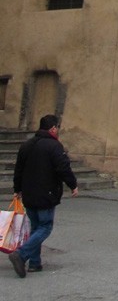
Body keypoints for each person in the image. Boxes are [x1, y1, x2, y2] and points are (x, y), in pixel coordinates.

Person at [9, 113, 78, 278]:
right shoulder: (54, 146)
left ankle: (34, 263)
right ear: (53, 128)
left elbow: (18, 169)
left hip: (29, 193)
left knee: (35, 226)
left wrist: (17, 188)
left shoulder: (26, 145)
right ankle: (21, 253)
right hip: (45, 193)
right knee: (45, 227)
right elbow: (63, 168)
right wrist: (73, 185)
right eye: (58, 128)